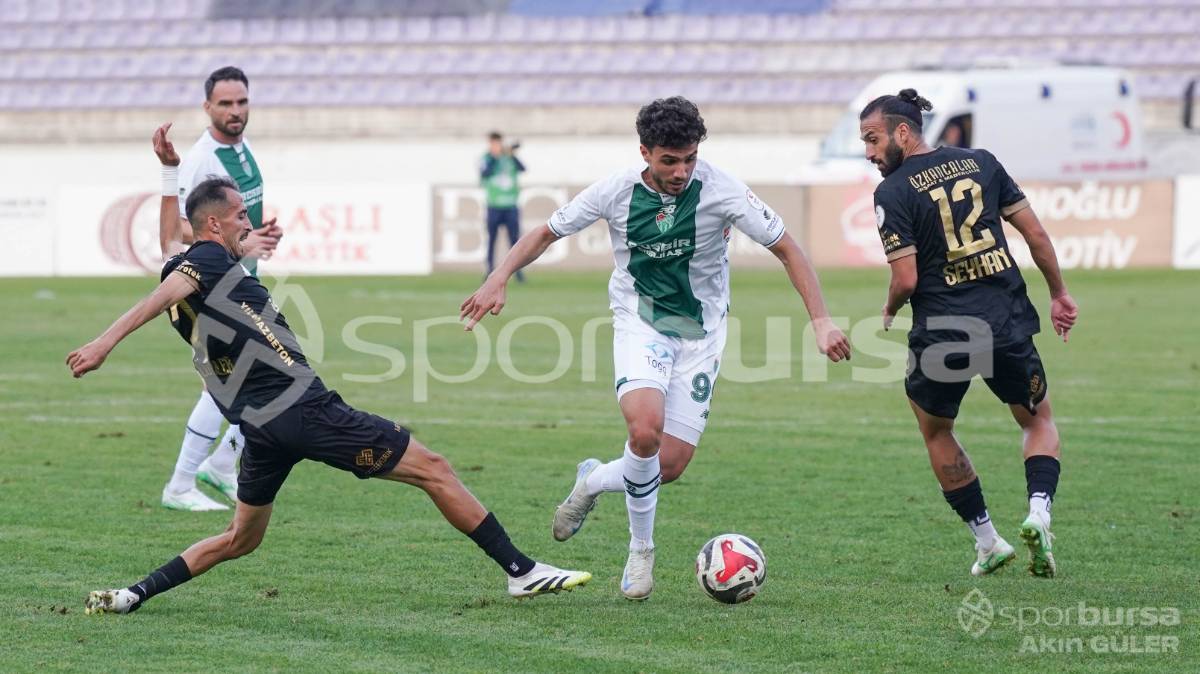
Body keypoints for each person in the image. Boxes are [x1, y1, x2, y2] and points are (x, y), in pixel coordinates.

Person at [68, 176, 591, 615]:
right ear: (212, 224)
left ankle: (133, 595)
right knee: (433, 467)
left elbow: (173, 254)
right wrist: (103, 342)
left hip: (262, 428)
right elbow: (163, 294)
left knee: (240, 539)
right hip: (305, 410)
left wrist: (169, 174)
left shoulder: (200, 262)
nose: (248, 222)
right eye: (240, 216)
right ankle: (521, 571)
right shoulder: (203, 262)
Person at [461, 97, 850, 600]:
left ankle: (595, 480)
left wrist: (821, 321)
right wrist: (499, 276)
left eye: (689, 158)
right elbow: (545, 231)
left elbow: (787, 249)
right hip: (641, 323)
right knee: (644, 431)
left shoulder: (723, 189)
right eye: (670, 160)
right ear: (645, 152)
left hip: (703, 333)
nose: (682, 170)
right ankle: (641, 550)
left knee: (667, 466)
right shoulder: (615, 191)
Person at [861, 88, 1079, 577]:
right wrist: (1059, 292)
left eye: (873, 139)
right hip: (1006, 321)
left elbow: (907, 278)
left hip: (944, 332)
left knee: (936, 429)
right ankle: (1039, 512)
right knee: (1037, 420)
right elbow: (1036, 235)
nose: (870, 152)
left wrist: (890, 307)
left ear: (903, 131)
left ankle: (986, 540)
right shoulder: (982, 162)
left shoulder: (892, 192)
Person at [162, 66, 267, 512]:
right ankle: (185, 483)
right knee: (250, 379)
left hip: (242, 281)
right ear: (208, 108)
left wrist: (257, 239)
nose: (235, 110)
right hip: (213, 286)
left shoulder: (243, 151)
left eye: (241, 101)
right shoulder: (204, 159)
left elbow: (237, 222)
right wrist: (243, 242)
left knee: (252, 378)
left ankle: (217, 469)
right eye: (225, 103)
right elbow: (175, 231)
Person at [480, 131, 526, 282]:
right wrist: (495, 157)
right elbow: (485, 173)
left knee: (514, 241)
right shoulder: (486, 158)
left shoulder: (509, 158)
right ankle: (489, 270)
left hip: (511, 205)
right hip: (494, 205)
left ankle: (518, 272)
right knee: (492, 239)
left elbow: (522, 168)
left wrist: (512, 154)